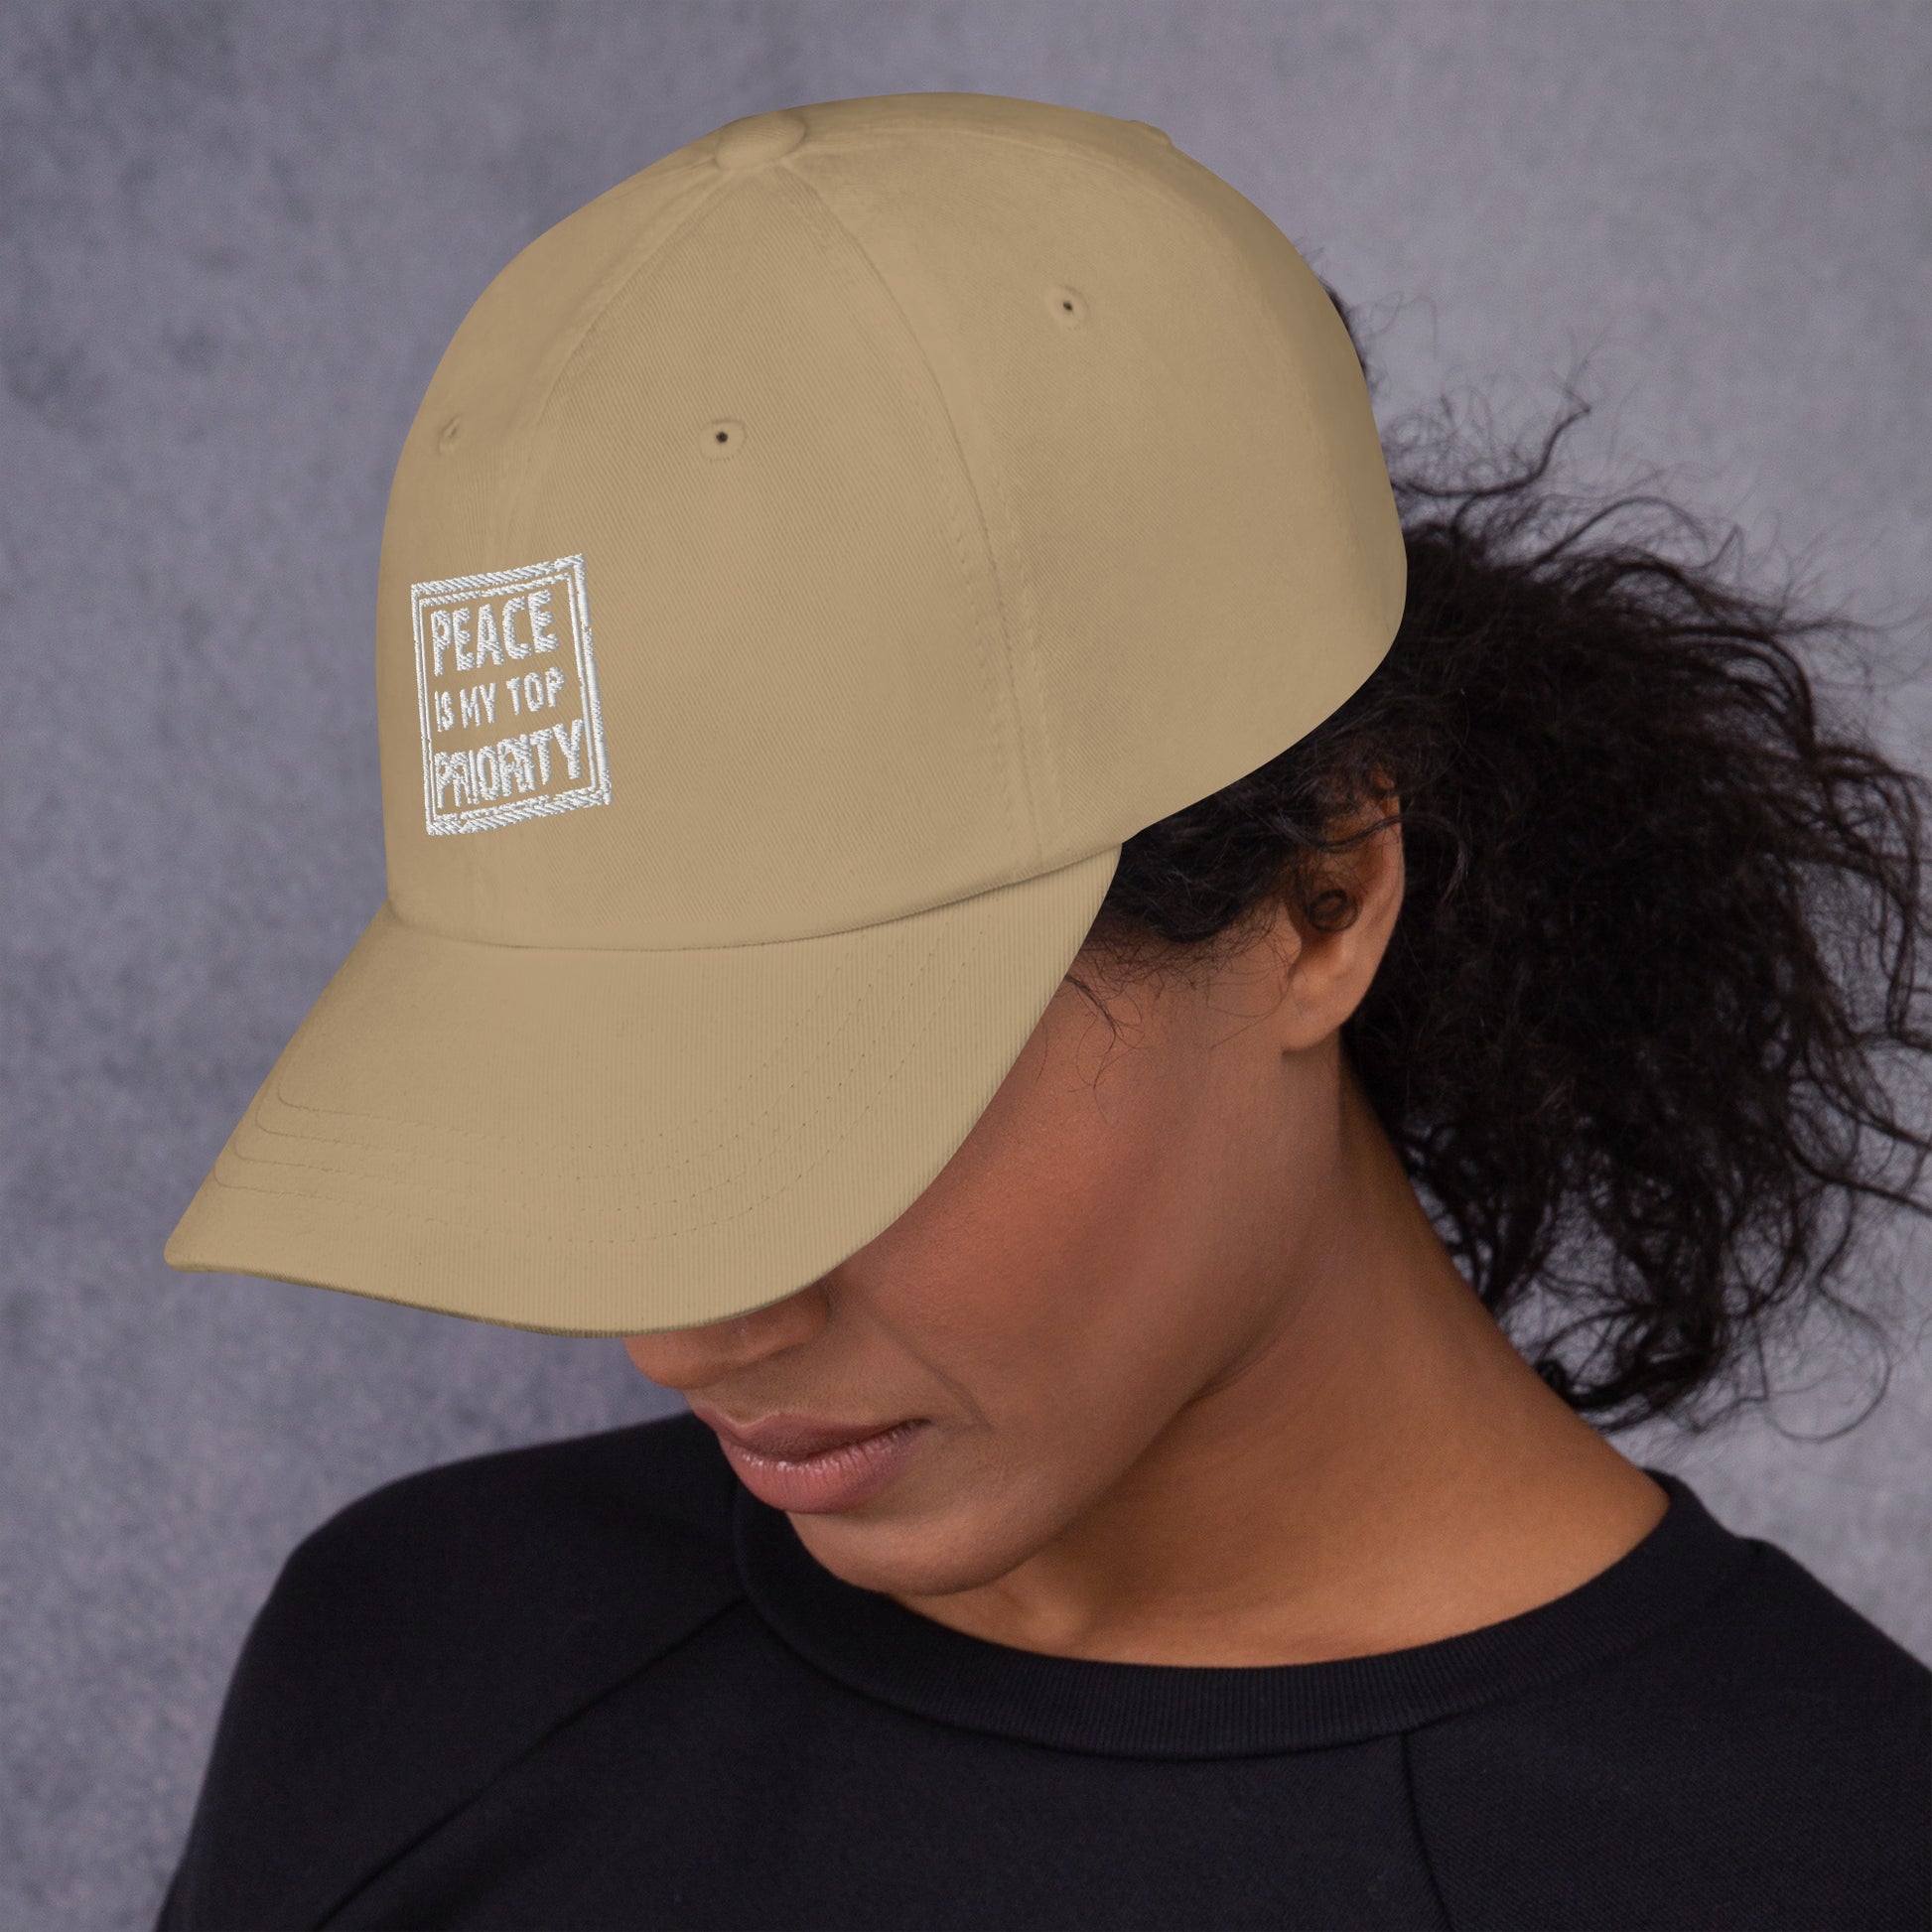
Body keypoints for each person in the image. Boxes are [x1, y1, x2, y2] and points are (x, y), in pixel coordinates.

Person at [154, 92, 1930, 1931]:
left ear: (1319, 894)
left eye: (830, 1088)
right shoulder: (414, 1669)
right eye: (591, 1092)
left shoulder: (1828, 1865)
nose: (683, 1327)